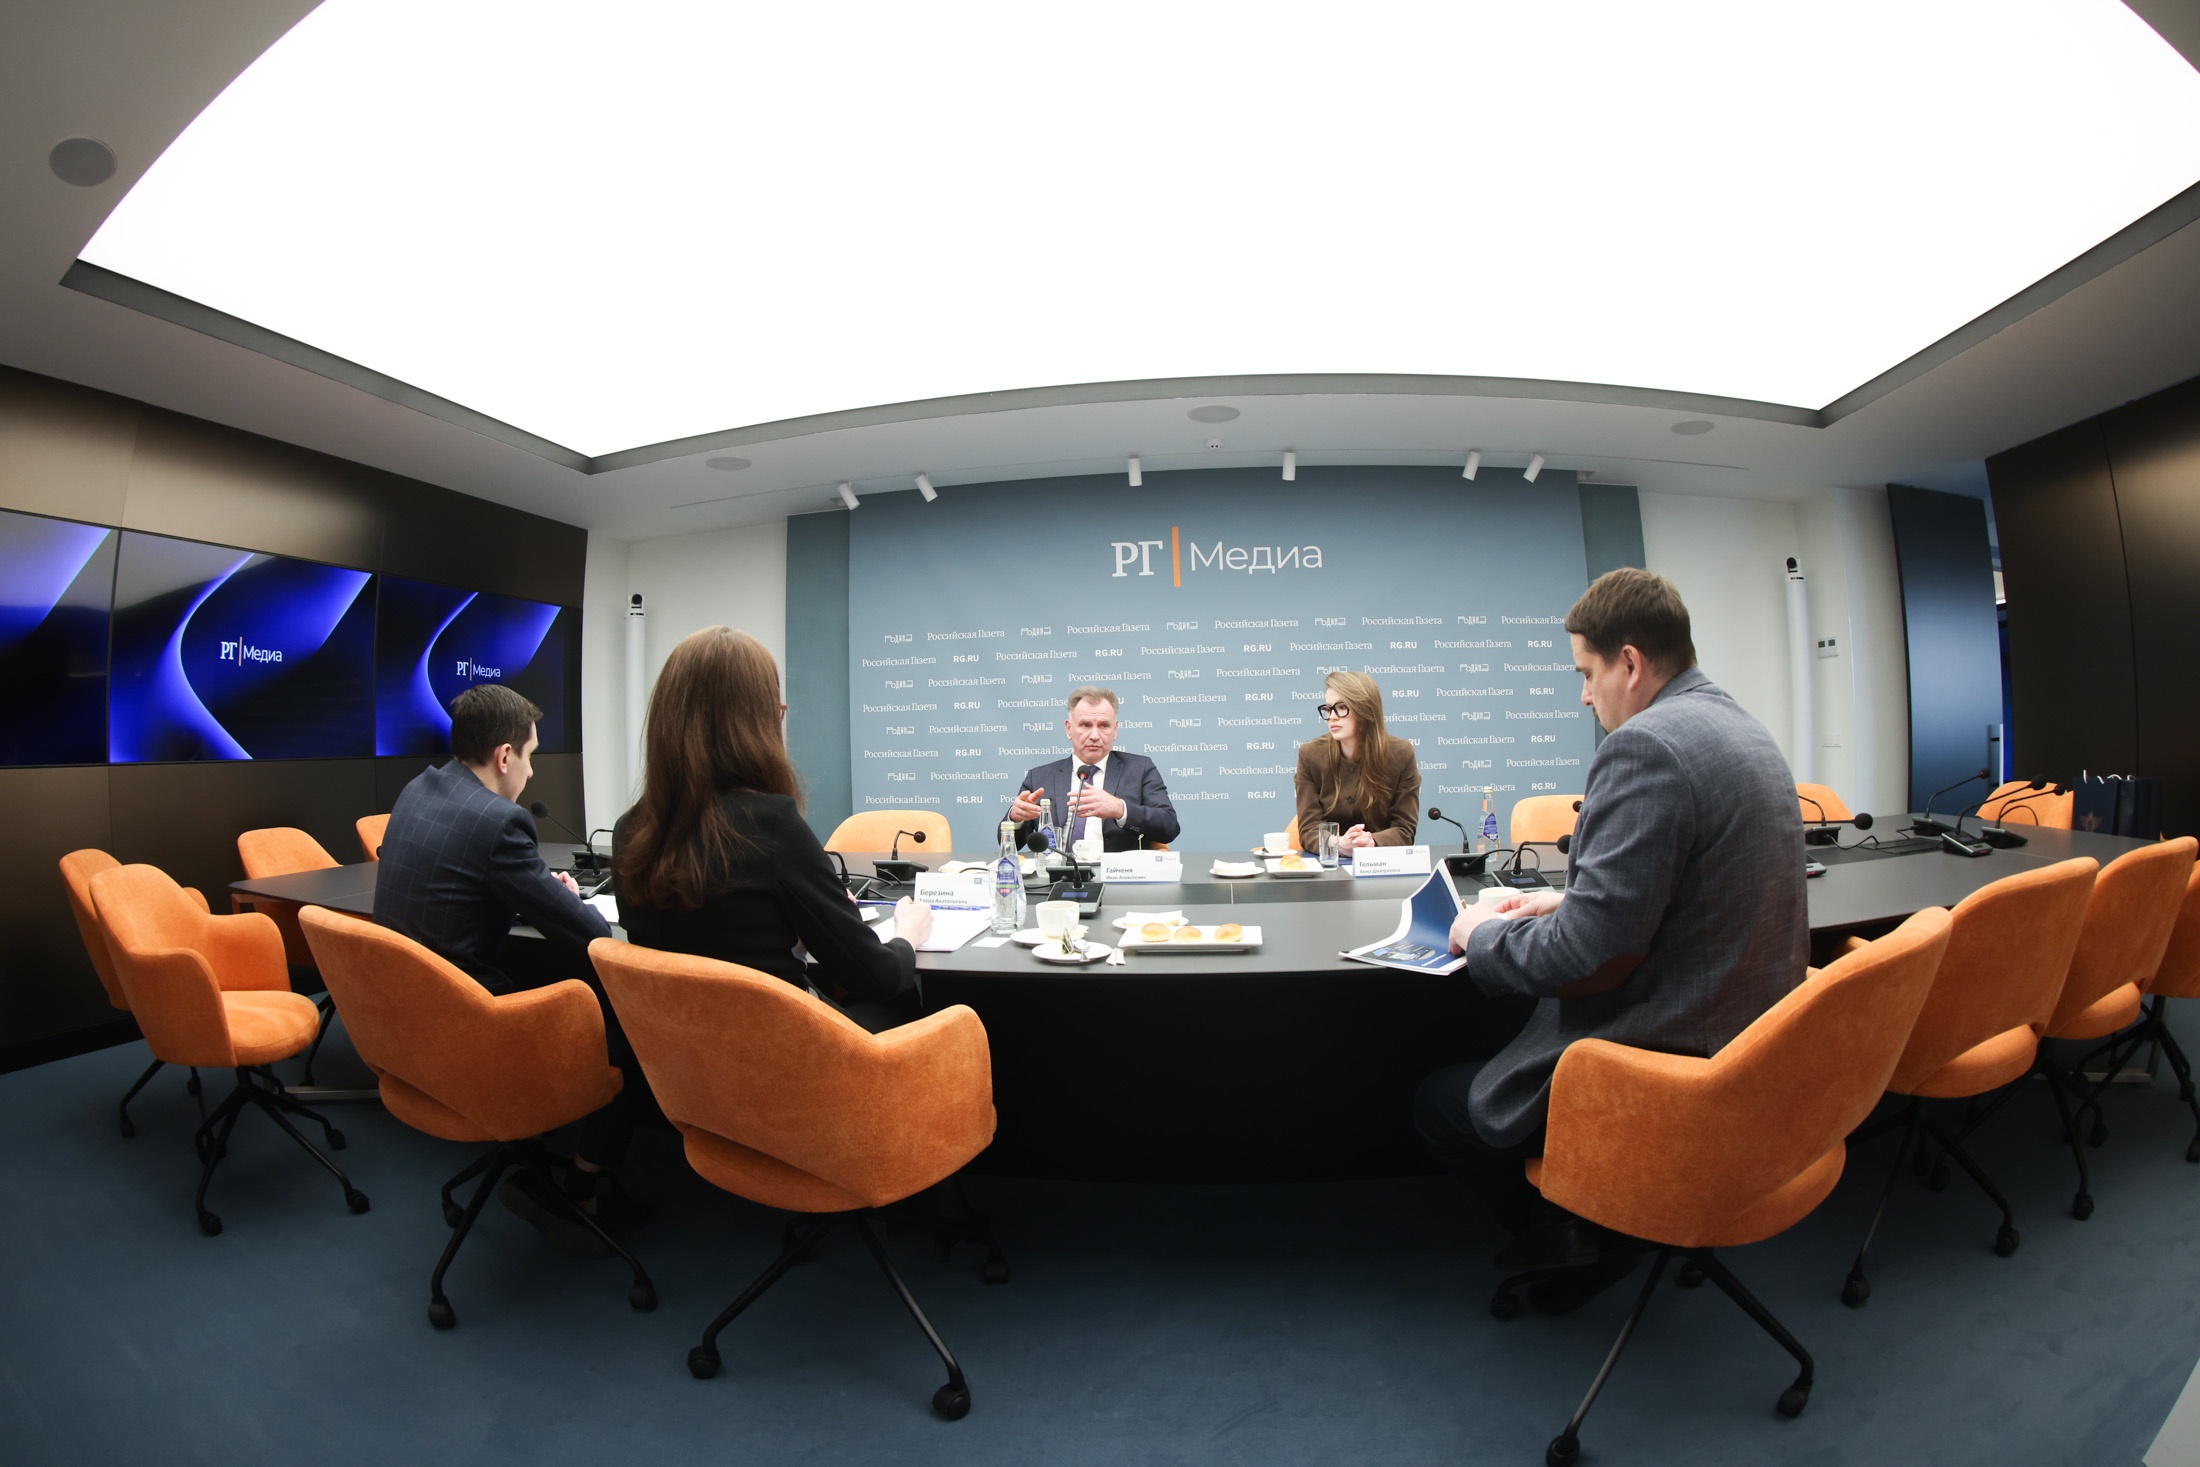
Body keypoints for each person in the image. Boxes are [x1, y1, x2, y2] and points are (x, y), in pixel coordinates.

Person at [1412, 568, 1807, 1312]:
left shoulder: (1646, 746)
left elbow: (1581, 957)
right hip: (1751, 1049)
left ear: (1629, 663)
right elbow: (1698, 881)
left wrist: (1479, 932)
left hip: (1672, 1063)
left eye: (1586, 674)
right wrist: (1569, 897)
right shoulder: (1741, 728)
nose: (1585, 696)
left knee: (1441, 1104)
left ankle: (1586, 1240)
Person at [374, 683, 645, 1257]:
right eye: (530, 755)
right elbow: (592, 936)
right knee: (634, 1032)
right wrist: (558, 900)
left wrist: (531, 891)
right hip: (473, 1030)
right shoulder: (501, 823)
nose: (532, 770)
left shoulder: (419, 790)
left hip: (405, 1023)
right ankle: (581, 1188)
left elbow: (456, 878)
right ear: (504, 756)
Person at [614, 626, 934, 1033]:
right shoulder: (771, 827)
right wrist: (907, 936)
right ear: (757, 723)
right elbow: (879, 976)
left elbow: (720, 933)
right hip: (782, 1058)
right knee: (902, 1002)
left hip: (680, 1061)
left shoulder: (630, 831)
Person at [1007, 686, 1180, 854]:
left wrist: (1120, 809)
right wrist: (1016, 818)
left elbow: (1169, 826)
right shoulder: (1039, 777)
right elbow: (1008, 843)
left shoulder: (1140, 769)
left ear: (1115, 730)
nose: (1095, 736)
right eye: (1085, 725)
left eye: (1104, 725)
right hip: (1058, 871)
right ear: (1069, 729)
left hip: (1117, 871)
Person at [1293, 669, 1421, 852]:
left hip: (1380, 860)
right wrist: (1337, 843)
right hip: (1330, 860)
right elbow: (1308, 830)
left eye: (1341, 707)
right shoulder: (1310, 754)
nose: (1332, 717)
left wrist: (1371, 842)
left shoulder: (1401, 754)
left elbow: (1405, 829)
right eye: (1328, 709)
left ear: (1365, 710)